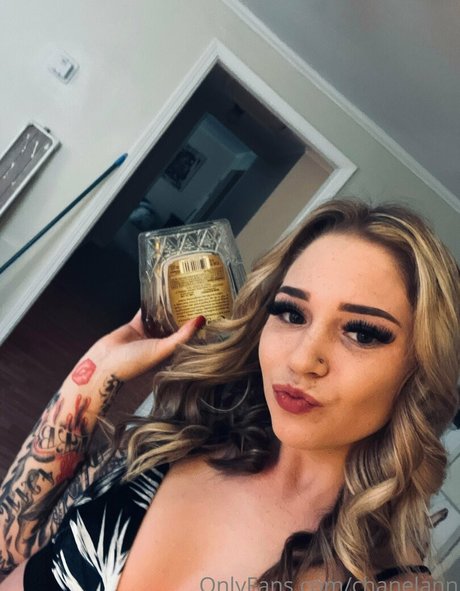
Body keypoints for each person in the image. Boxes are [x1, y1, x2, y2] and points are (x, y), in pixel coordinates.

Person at [0, 199, 458, 590]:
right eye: (291, 313)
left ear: (420, 369)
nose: (302, 359)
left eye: (361, 332)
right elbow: (12, 553)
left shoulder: (390, 582)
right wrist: (97, 370)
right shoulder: (171, 445)